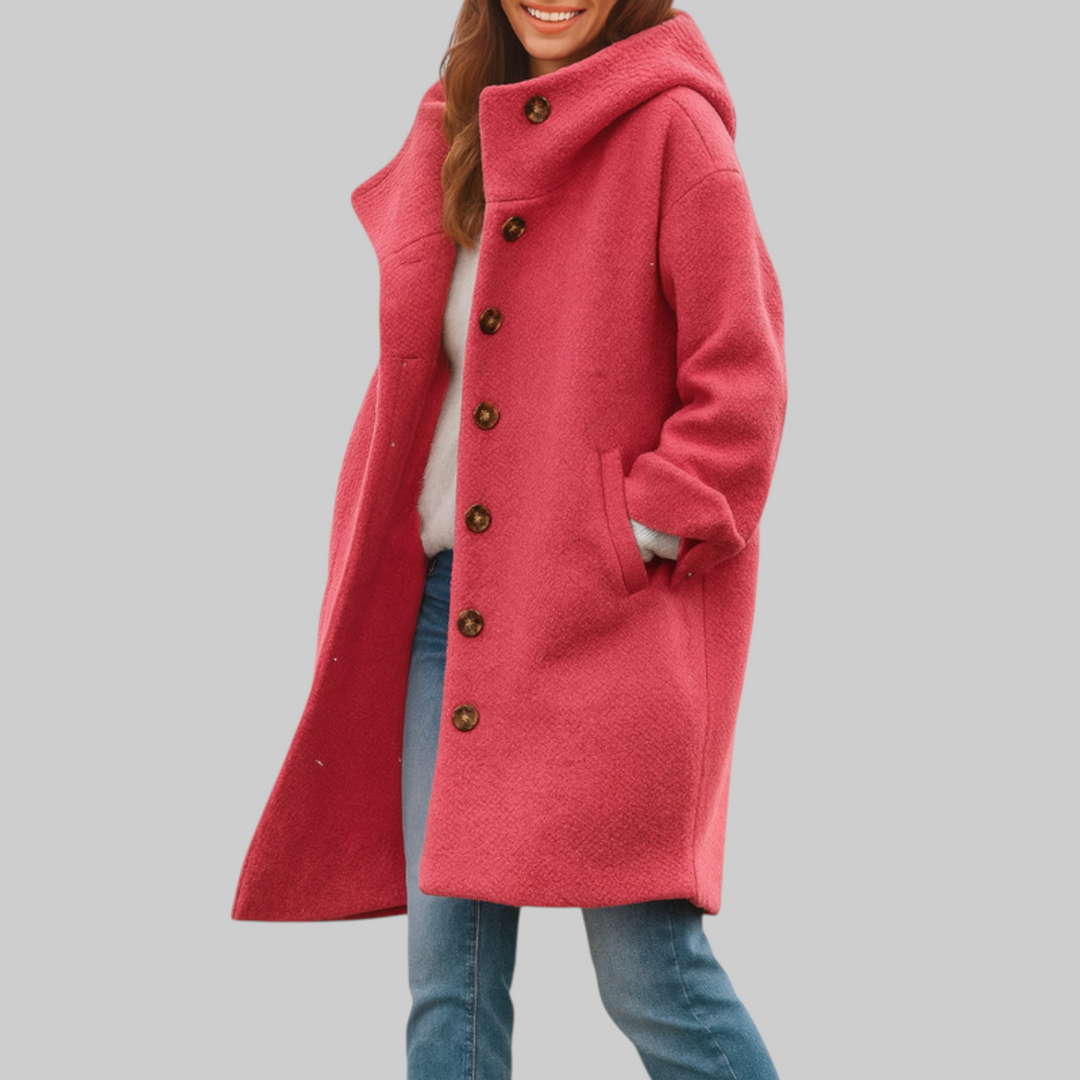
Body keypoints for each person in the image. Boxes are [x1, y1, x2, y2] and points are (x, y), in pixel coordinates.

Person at [233, 3, 787, 1077]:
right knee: (450, 985)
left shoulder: (671, 130)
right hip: (451, 617)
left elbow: (744, 382)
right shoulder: (460, 129)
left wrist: (630, 533)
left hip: (604, 628)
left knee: (652, 980)